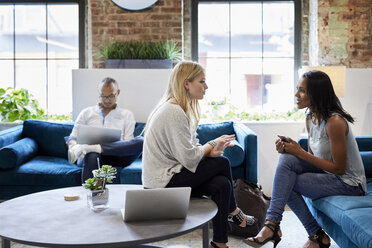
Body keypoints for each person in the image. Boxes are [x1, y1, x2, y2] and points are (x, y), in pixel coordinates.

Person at [244, 70, 366, 248]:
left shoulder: (335, 122)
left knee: (288, 182)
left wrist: (300, 153)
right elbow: (312, 159)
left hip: (349, 183)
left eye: (302, 90)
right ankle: (275, 225)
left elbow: (339, 168)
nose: (296, 94)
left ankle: (300, 231)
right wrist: (291, 150)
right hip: (329, 174)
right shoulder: (311, 118)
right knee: (286, 160)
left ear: (316, 94)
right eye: (297, 89)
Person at [142, 61, 256, 248]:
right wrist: (211, 145)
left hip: (169, 178)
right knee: (222, 163)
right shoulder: (173, 111)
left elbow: (190, 149)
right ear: (186, 83)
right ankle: (234, 212)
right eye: (201, 81)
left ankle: (220, 243)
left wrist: (209, 152)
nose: (206, 86)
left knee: (222, 184)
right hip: (161, 185)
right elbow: (189, 158)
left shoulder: (177, 108)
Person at [66, 77, 143, 183]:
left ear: (118, 92)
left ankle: (91, 148)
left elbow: (127, 143)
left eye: (111, 96)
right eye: (103, 96)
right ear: (99, 93)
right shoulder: (86, 113)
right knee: (92, 154)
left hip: (116, 155)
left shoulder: (127, 115)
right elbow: (72, 137)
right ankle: (90, 195)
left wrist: (111, 146)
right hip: (89, 156)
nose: (107, 100)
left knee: (141, 141)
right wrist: (74, 146)